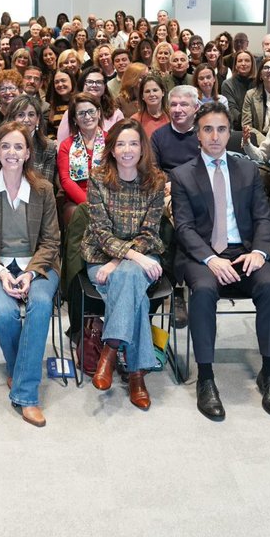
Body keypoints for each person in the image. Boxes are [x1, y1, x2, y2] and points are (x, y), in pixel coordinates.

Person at [170, 103, 270, 421]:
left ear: (229, 133)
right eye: (207, 129)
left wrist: (259, 252)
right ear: (197, 134)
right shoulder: (182, 175)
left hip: (244, 251)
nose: (215, 136)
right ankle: (206, 378)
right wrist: (210, 258)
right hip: (202, 254)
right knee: (204, 291)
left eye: (221, 129)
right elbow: (184, 228)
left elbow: (263, 218)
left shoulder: (247, 169)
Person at [0, 122, 62, 427]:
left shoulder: (43, 189)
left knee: (40, 304)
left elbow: (51, 242)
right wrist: (1, 272)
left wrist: (30, 274)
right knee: (4, 312)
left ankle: (26, 393)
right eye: (5, 146)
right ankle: (21, 370)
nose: (12, 152)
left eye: (19, 146)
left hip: (39, 266)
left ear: (28, 153)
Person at [81, 119, 167, 411]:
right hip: (101, 257)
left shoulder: (156, 181)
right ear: (112, 149)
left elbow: (150, 232)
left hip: (140, 255)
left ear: (142, 148)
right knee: (136, 297)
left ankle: (110, 349)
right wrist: (128, 258)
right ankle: (136, 374)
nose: (127, 150)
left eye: (133, 143)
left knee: (127, 275)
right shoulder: (97, 178)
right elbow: (101, 232)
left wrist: (124, 258)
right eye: (121, 144)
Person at [57, 92, 106, 223]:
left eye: (91, 111)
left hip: (108, 196)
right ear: (74, 119)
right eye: (81, 113)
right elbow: (65, 180)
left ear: (99, 113)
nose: (88, 117)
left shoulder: (111, 140)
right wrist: (88, 204)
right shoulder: (67, 145)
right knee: (77, 213)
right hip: (78, 201)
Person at [54, 68, 123, 142]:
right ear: (82, 85)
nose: (94, 85)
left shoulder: (116, 113)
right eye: (89, 82)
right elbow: (62, 142)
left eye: (99, 82)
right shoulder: (70, 113)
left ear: (104, 86)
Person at [6, 94, 58, 188]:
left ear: (38, 119)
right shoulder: (1, 144)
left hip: (36, 195)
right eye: (21, 115)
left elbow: (45, 188)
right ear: (12, 118)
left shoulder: (48, 147)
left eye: (31, 115)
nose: (26, 120)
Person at [150, 84, 202, 174]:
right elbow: (153, 170)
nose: (177, 110)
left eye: (184, 104)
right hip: (168, 181)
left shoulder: (205, 134)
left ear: (196, 107)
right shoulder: (158, 136)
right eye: (173, 105)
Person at [241, 57, 270, 142]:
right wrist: (266, 143)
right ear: (260, 75)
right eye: (266, 68)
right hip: (260, 139)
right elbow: (246, 126)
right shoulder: (250, 95)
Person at [220, 50, 255, 129]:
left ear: (252, 64)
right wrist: (246, 123)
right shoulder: (227, 84)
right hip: (237, 127)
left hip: (257, 126)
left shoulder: (258, 83)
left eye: (247, 61)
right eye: (240, 61)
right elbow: (231, 108)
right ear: (235, 65)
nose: (243, 64)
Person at [131, 74, 170, 139]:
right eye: (147, 91)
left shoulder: (172, 116)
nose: (151, 94)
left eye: (155, 90)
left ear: (163, 92)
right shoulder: (135, 120)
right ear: (142, 96)